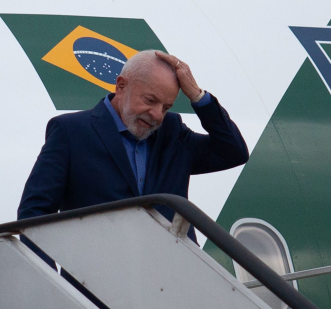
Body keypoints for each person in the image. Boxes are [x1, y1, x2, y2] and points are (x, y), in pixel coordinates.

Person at [17, 50, 249, 243]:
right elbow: (35, 214)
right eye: (150, 101)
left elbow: (233, 152)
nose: (157, 115)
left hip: (171, 281)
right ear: (121, 86)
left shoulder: (172, 131)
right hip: (94, 285)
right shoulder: (71, 131)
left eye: (166, 107)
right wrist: (53, 282)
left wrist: (198, 97)